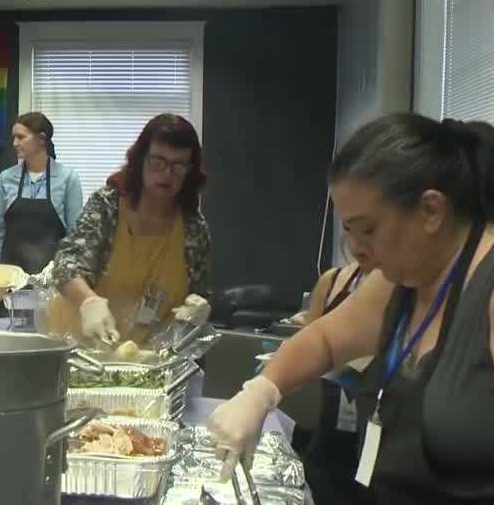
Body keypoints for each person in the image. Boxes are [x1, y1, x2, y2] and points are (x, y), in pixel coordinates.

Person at [208, 114, 494, 504]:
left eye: (368, 229)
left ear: (431, 211)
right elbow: (325, 339)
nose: (356, 249)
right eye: (348, 229)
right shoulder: (402, 278)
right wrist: (260, 391)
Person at [46, 113, 210, 346]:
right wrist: (88, 302)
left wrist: (197, 312)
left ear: (190, 171)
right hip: (80, 348)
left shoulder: (193, 228)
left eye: (178, 166)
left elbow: (199, 295)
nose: (167, 174)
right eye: (157, 162)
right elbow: (67, 263)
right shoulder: (109, 205)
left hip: (146, 360)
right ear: (141, 160)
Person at [294, 243, 376, 505]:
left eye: (369, 229)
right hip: (331, 421)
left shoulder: (403, 286)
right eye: (350, 230)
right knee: (322, 479)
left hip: (375, 427)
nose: (359, 241)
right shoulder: (332, 281)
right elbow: (310, 341)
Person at [0, 112, 83, 274]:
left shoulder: (68, 178)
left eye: (21, 137)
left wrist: (72, 275)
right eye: (14, 137)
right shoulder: (5, 179)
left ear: (41, 139)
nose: (14, 143)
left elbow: (75, 236)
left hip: (53, 278)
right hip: (10, 276)